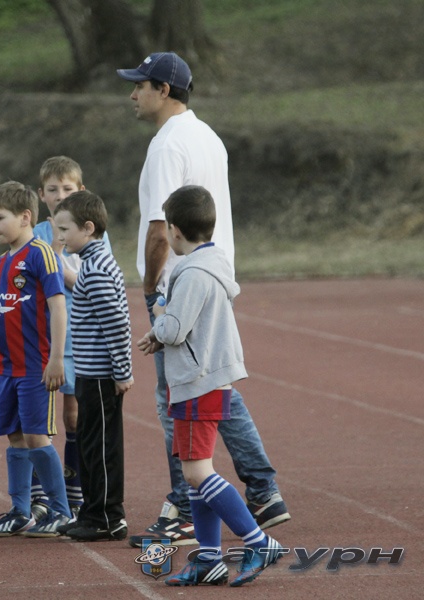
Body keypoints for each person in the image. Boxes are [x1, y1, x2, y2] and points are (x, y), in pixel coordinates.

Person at [116, 52, 290, 547]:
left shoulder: (167, 144)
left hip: (180, 283)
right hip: (214, 272)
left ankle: (186, 504)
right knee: (214, 386)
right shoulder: (207, 135)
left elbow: (159, 228)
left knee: (177, 395)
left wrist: (152, 288)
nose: (133, 94)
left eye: (140, 85)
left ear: (163, 90)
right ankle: (262, 489)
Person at [136, 185, 284, 586]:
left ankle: (258, 542)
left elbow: (175, 326)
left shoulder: (192, 273)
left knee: (198, 472)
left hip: (197, 381)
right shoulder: (213, 264)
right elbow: (190, 326)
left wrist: (160, 316)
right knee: (194, 474)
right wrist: (162, 334)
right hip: (203, 380)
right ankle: (208, 558)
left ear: (174, 231)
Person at [0, 181, 73, 537]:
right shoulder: (1, 262)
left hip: (35, 367)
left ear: (25, 217)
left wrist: (56, 358)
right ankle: (20, 511)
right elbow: (0, 315)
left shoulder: (40, 254)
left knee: (37, 438)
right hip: (6, 368)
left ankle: (61, 511)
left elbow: (58, 307)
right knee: (15, 437)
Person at [30, 156, 113, 519]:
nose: (60, 195)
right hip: (43, 336)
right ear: (41, 194)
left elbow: (88, 282)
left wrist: (58, 257)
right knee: (37, 416)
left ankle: (75, 492)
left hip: (81, 336)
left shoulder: (95, 234)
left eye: (67, 188)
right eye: (52, 189)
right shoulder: (34, 232)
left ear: (81, 190)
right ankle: (40, 496)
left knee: (74, 415)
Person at [51, 190, 133, 542]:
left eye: (65, 229)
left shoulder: (96, 270)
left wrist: (122, 372)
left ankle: (107, 517)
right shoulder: (91, 263)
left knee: (100, 447)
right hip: (89, 372)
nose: (60, 237)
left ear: (88, 228)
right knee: (89, 443)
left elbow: (116, 325)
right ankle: (92, 511)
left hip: (100, 376)